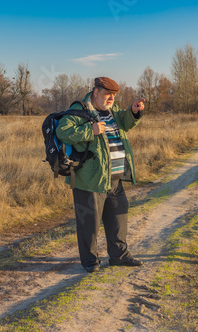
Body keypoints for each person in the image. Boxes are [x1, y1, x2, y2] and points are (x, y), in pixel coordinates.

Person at [56, 77, 146, 273]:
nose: (111, 98)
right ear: (95, 92)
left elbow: (125, 121)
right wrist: (90, 130)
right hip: (90, 180)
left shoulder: (112, 112)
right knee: (89, 224)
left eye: (113, 95)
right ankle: (90, 261)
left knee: (118, 221)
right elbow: (62, 131)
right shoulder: (80, 110)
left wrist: (134, 111)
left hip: (114, 178)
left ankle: (119, 256)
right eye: (107, 94)